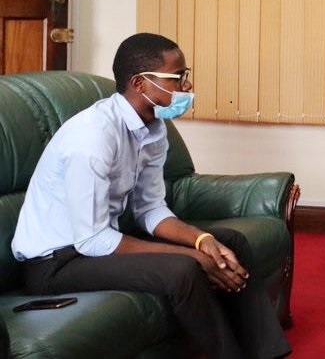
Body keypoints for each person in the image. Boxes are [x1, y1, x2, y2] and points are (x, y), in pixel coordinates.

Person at [11, 33, 291, 359]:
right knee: (182, 271)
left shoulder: (154, 128)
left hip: (98, 243)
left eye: (186, 76)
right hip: (56, 263)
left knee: (230, 243)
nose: (186, 87)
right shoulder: (93, 138)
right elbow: (92, 240)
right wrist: (191, 257)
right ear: (141, 84)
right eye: (177, 78)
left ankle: (268, 352)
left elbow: (151, 209)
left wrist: (201, 241)